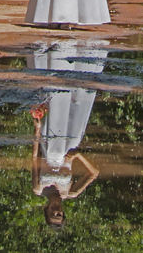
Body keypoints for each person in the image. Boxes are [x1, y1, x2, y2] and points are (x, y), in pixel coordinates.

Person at [30, 86, 100, 230]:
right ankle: (83, 86)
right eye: (60, 215)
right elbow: (94, 173)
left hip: (48, 143)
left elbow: (35, 158)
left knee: (54, 107)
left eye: (53, 214)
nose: (57, 211)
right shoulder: (71, 192)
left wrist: (37, 131)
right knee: (76, 108)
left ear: (46, 210)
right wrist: (78, 156)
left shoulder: (38, 188)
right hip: (69, 144)